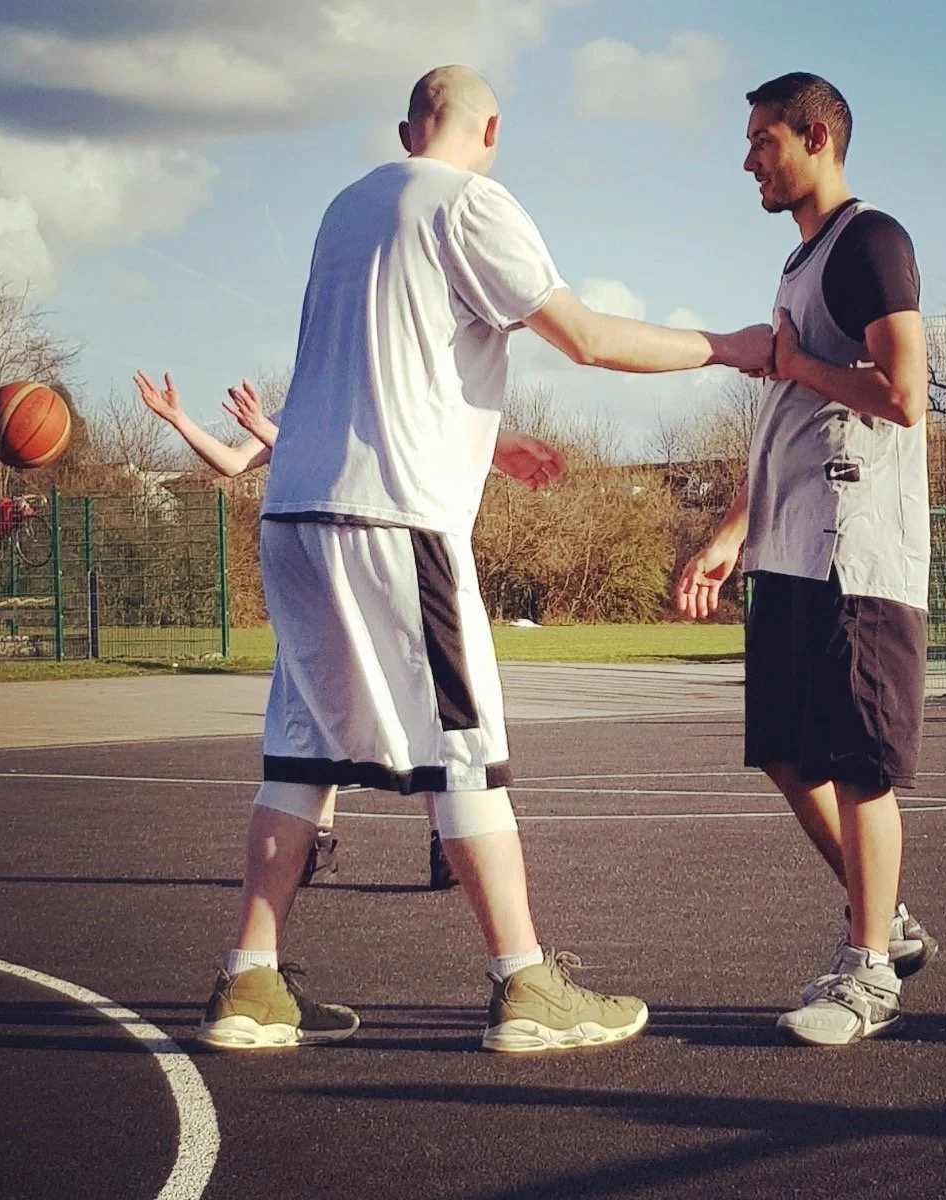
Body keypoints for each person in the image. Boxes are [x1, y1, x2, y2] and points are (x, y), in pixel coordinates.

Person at [195, 64, 775, 1052]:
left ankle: (250, 984)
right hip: (395, 523)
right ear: (490, 127)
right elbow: (585, 339)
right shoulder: (471, 203)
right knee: (463, 750)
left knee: (301, 749)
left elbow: (385, 372)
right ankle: (525, 984)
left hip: (296, 511)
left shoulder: (346, 208)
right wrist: (727, 345)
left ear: (405, 128)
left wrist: (497, 443)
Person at [675, 72, 938, 1046]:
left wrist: (792, 364)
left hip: (853, 555)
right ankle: (889, 921)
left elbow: (904, 393)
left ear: (816, 135)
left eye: (762, 140)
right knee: (785, 754)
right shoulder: (799, 265)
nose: (748, 158)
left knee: (859, 765)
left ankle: (869, 970)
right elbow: (795, 409)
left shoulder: (872, 242)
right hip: (787, 550)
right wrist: (733, 530)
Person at [134, 368, 543, 891]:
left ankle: (445, 841)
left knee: (423, 704)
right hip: (320, 573)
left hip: (382, 564)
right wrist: (179, 420)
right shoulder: (301, 411)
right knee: (325, 704)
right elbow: (231, 464)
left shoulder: (391, 408)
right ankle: (315, 842)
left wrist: (266, 430)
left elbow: (350, 463)